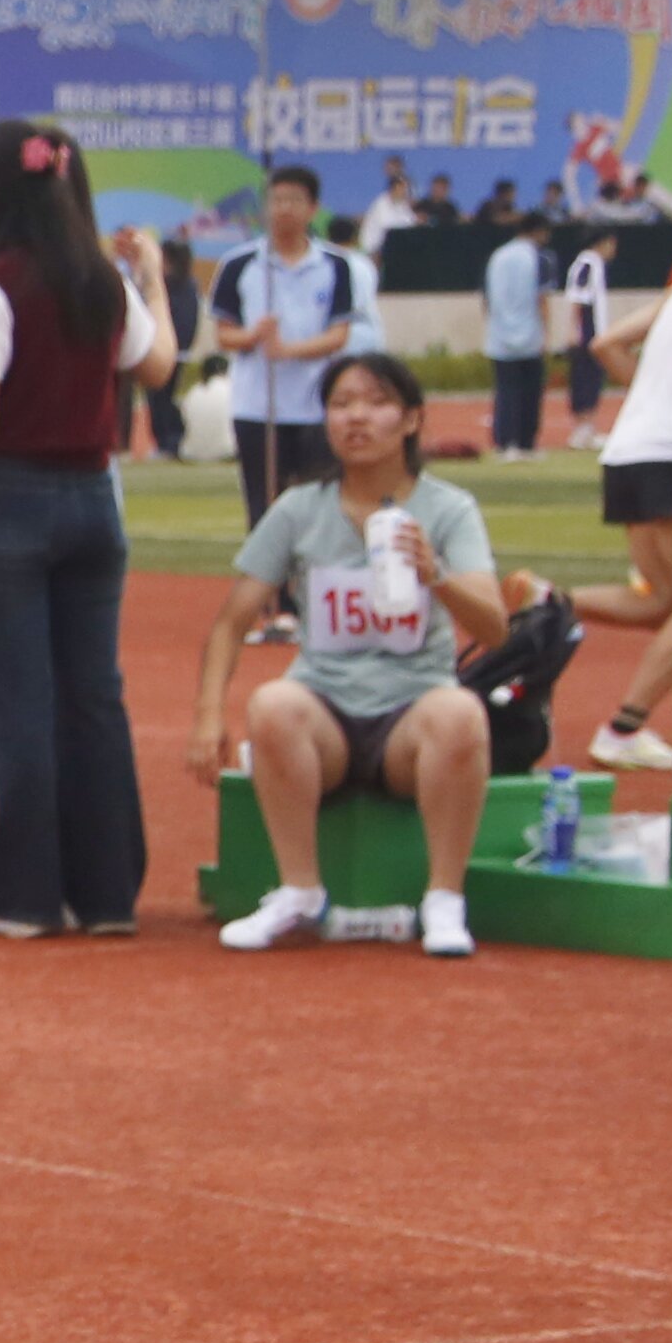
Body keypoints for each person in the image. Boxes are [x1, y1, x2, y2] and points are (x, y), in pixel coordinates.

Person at [0, 120, 178, 939]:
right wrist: (155, 280)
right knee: (94, 699)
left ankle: (22, 895)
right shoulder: (99, 277)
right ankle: (106, 894)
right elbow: (160, 365)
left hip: (14, 507)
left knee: (24, 705)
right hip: (95, 502)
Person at [199, 349, 506, 959]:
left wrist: (435, 575)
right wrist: (208, 716)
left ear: (412, 420)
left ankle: (444, 899)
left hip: (409, 716)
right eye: (340, 405)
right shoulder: (298, 509)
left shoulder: (448, 511)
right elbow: (232, 622)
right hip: (328, 714)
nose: (355, 419)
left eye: (375, 403)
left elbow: (495, 627)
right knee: (273, 703)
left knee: (461, 714)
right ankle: (298, 891)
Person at [569, 243, 672, 770]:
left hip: (628, 448)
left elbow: (605, 343)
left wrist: (649, 389)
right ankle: (626, 725)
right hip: (665, 453)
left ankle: (543, 600)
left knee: (663, 601)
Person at [209, 164, 374, 539]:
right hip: (257, 407)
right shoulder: (240, 264)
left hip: (315, 405)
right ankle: (270, 592)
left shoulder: (334, 265)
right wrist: (253, 337)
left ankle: (309, 588)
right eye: (277, 200)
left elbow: (339, 335)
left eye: (294, 200)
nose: (284, 208)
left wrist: (288, 350)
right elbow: (224, 334)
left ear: (313, 208)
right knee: (264, 504)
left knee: (320, 503)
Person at [479, 211, 551, 457]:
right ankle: (526, 443)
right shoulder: (540, 257)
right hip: (530, 332)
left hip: (500, 334)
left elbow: (486, 298)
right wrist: (546, 333)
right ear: (538, 231)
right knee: (530, 392)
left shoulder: (498, 256)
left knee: (505, 391)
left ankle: (503, 443)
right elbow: (542, 299)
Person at [555, 230, 618, 435]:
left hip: (595, 331)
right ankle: (582, 426)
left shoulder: (596, 265)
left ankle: (588, 426)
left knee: (593, 377)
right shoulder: (588, 264)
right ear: (602, 243)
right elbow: (578, 298)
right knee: (584, 377)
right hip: (586, 331)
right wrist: (574, 330)